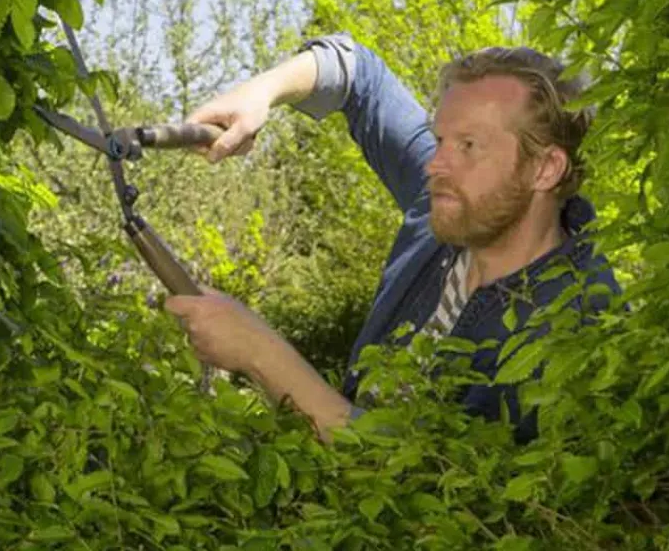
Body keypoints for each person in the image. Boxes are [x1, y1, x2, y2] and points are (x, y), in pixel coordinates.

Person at [164, 34, 621, 442]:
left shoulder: (579, 335)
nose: (435, 165)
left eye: (468, 146)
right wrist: (260, 94)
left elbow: (428, 483)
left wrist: (259, 355)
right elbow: (356, 74)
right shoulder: (457, 203)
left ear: (545, 169)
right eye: (439, 140)